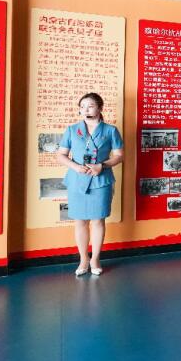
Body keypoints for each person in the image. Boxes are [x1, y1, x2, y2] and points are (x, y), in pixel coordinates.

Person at [55, 93, 124, 276]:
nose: (86, 109)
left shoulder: (111, 130)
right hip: (77, 180)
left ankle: (96, 258)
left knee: (98, 220)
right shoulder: (72, 130)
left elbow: (119, 156)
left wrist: (102, 166)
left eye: (90, 106)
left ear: (100, 108)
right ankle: (83, 259)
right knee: (80, 221)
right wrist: (76, 167)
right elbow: (61, 155)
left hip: (101, 180)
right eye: (82, 106)